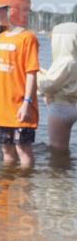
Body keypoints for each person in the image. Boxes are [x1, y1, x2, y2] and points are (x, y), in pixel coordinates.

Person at [0, 0, 39, 167]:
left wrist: (27, 103)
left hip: (20, 105)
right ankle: (6, 186)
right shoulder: (1, 38)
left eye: (0, 9)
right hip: (2, 106)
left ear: (12, 11)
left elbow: (31, 73)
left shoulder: (27, 38)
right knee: (6, 149)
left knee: (23, 148)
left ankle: (24, 188)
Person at [37, 22, 77, 155]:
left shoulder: (66, 61)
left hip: (61, 107)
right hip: (73, 105)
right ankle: (68, 174)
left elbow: (49, 85)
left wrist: (34, 73)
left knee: (57, 149)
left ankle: (58, 175)